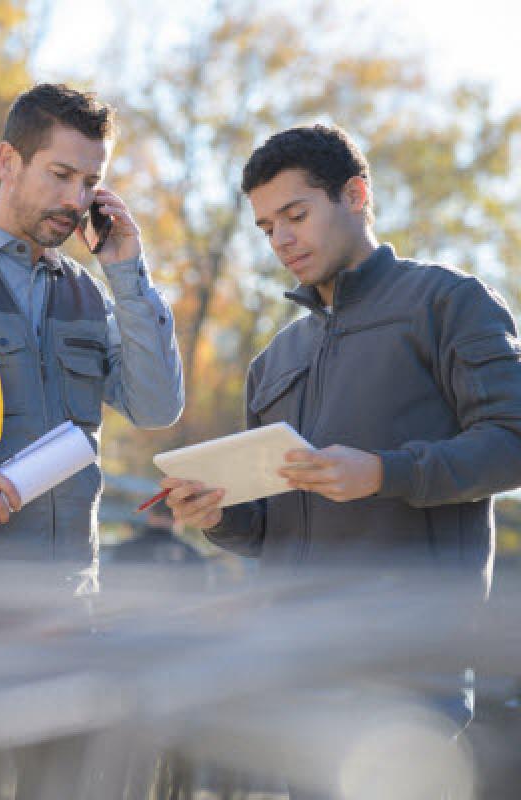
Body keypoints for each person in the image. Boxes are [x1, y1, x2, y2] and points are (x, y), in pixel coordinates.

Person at [162, 123, 521, 797]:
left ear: (355, 195)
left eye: (296, 215)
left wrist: (386, 472)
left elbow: (513, 439)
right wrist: (216, 514)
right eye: (267, 228)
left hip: (410, 670)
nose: (282, 240)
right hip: (292, 665)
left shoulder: (448, 302)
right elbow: (268, 530)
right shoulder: (274, 362)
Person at [0, 83, 184, 799]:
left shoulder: (89, 291)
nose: (76, 199)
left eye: (91, 181)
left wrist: (127, 271)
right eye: (61, 173)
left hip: (67, 610)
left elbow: (157, 403)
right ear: (8, 160)